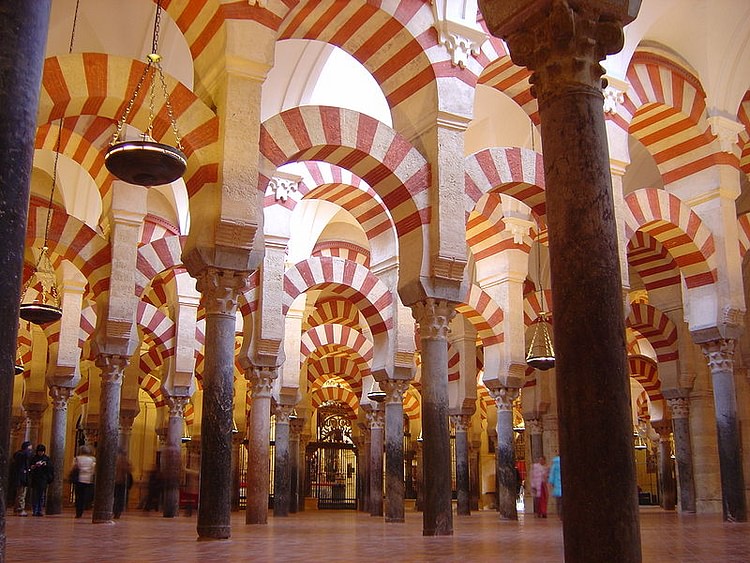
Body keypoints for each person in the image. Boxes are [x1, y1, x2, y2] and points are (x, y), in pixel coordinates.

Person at [29, 444, 54, 516]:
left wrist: (45, 465)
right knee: (35, 495)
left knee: (41, 495)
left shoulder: (46, 459)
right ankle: (35, 510)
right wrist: (35, 466)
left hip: (43, 480)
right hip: (35, 479)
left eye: (42, 451)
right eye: (39, 451)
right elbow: (30, 467)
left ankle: (40, 510)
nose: (40, 453)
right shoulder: (34, 458)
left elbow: (50, 468)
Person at [72, 444, 96, 518]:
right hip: (88, 480)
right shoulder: (92, 459)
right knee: (86, 496)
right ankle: (86, 506)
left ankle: (79, 512)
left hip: (79, 480)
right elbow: (93, 470)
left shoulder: (77, 458)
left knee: (79, 496)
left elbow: (73, 468)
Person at [11, 441, 33, 516]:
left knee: (20, 494)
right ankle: (20, 509)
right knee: (21, 494)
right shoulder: (22, 455)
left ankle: (17, 508)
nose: (30, 451)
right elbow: (27, 455)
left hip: (21, 477)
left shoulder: (19, 455)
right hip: (22, 478)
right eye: (29, 449)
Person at [113, 448, 133, 518]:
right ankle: (117, 511)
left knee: (115, 497)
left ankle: (115, 510)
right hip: (121, 482)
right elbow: (130, 469)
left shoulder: (115, 460)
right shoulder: (125, 461)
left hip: (115, 481)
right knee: (120, 498)